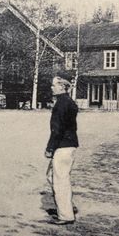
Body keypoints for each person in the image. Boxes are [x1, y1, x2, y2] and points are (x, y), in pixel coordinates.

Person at [45, 76, 79, 225]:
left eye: (54, 86)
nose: (51, 88)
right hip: (70, 144)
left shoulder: (60, 104)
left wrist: (50, 148)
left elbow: (57, 130)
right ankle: (67, 207)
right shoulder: (70, 102)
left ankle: (66, 215)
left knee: (60, 180)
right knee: (52, 176)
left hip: (62, 146)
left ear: (62, 87)